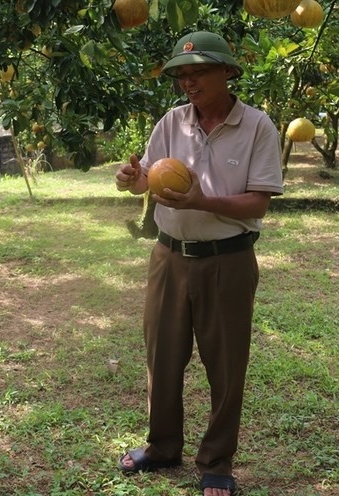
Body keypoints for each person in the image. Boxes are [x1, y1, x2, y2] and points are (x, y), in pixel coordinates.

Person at [115, 31, 283, 496]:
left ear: (227, 72)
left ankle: (216, 460)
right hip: (169, 256)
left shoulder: (257, 127)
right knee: (162, 358)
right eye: (181, 75)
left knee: (225, 366)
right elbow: (149, 178)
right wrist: (132, 179)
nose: (188, 82)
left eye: (198, 72)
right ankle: (163, 446)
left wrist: (201, 200)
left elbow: (258, 203)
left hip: (227, 261)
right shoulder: (171, 122)